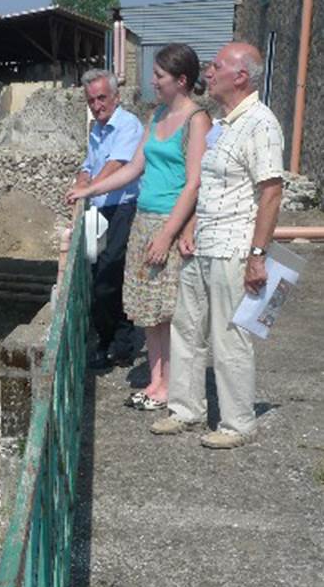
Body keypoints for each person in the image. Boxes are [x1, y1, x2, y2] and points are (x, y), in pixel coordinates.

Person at [151, 42, 283, 448]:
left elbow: (271, 191)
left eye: (216, 66)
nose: (208, 72)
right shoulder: (224, 123)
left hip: (233, 247)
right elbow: (207, 184)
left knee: (229, 337)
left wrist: (257, 256)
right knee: (187, 329)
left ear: (240, 76)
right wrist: (190, 226)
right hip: (203, 244)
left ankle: (238, 423)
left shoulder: (261, 123)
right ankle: (185, 409)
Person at [68, 45, 211, 410]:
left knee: (170, 310)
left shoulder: (196, 120)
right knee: (150, 309)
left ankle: (172, 386)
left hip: (169, 222)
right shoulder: (157, 115)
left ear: (181, 80)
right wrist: (89, 190)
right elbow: (133, 168)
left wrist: (168, 234)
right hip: (145, 219)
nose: (153, 81)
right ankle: (156, 381)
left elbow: (194, 183)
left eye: (159, 76)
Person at [69, 69, 143, 367]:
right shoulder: (97, 129)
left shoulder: (128, 125)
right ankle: (106, 339)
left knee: (110, 274)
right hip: (98, 210)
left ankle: (121, 344)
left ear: (116, 97)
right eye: (91, 100)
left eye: (101, 98)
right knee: (97, 272)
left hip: (121, 208)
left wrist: (87, 189)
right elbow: (89, 165)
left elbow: (117, 165)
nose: (97, 105)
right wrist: (82, 180)